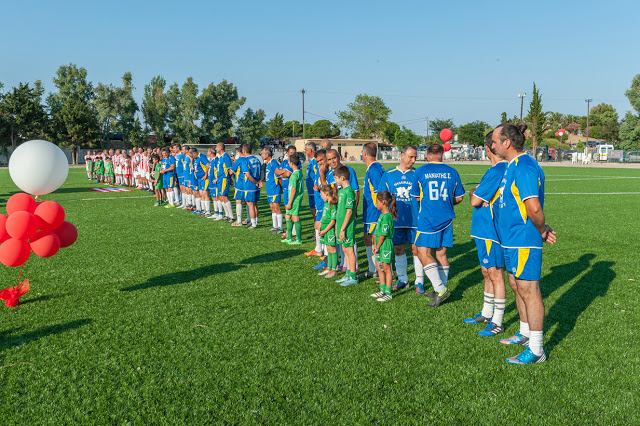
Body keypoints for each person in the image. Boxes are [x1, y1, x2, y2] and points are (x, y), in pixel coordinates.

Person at [491, 122, 556, 364]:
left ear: (507, 143)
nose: (493, 145)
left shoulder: (526, 165)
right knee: (517, 285)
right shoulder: (511, 166)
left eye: (496, 141)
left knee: (529, 289)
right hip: (511, 240)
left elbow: (534, 206)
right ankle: (524, 332)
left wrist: (541, 229)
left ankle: (537, 349)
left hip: (524, 239)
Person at [465, 131, 509, 337]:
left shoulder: (498, 169)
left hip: (491, 230)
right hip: (483, 230)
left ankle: (498, 322)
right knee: (486, 271)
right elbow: (478, 194)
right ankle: (486, 312)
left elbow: (475, 200)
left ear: (488, 148)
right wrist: (478, 193)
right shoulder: (493, 170)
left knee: (495, 273)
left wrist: (476, 194)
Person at [412, 143, 465, 307]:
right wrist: (445, 202)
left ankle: (440, 289)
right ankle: (439, 291)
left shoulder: (420, 171)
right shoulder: (452, 172)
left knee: (422, 252)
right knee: (441, 254)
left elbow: (417, 197)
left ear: (427, 156)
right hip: (447, 218)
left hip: (428, 219)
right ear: (443, 155)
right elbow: (460, 197)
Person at [378, 144, 422, 291]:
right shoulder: (389, 174)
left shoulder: (417, 174)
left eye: (415, 157)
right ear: (402, 156)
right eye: (411, 157)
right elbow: (381, 196)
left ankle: (419, 282)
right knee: (398, 249)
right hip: (396, 220)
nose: (413, 160)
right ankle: (403, 279)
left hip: (414, 219)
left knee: (416, 249)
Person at [361, 142, 385, 279]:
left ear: (364, 154)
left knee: (375, 240)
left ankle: (380, 270)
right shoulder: (374, 167)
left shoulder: (374, 169)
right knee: (367, 237)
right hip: (369, 210)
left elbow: (379, 192)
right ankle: (373, 268)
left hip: (374, 211)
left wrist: (378, 210)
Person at [370, 190, 396, 302]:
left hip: (384, 245)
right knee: (379, 268)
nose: (376, 204)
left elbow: (383, 235)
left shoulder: (387, 217)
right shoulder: (381, 215)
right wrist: (374, 246)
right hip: (379, 246)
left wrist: (378, 247)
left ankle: (388, 293)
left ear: (383, 202)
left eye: (377, 201)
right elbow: (377, 233)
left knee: (387, 269)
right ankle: (382, 289)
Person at [333, 165, 358, 286]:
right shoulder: (341, 191)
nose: (335, 180)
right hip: (341, 227)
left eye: (336, 178)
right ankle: (348, 274)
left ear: (342, 177)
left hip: (347, 227)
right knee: (344, 249)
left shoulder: (349, 191)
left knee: (349, 250)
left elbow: (349, 211)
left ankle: (353, 276)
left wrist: (343, 228)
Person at [275, 145, 297, 239]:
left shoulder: (296, 163)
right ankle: (290, 230)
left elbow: (289, 174)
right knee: (287, 210)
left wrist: (282, 173)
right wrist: (284, 172)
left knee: (293, 210)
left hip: (291, 189)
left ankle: (293, 231)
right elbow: (276, 171)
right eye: (291, 152)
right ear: (287, 153)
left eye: (294, 152)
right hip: (285, 190)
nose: (292, 154)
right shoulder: (284, 162)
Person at [281, 153, 304, 244]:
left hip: (295, 199)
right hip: (292, 198)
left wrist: (289, 202)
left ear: (291, 163)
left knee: (295, 217)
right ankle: (289, 237)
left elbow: (294, 190)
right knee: (287, 216)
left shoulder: (294, 175)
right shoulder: (298, 173)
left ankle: (298, 239)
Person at [317, 184, 339, 278]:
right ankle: (329, 267)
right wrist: (319, 225)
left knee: (332, 249)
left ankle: (334, 269)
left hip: (329, 230)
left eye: (321, 194)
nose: (321, 197)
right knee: (328, 248)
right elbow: (323, 216)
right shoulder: (326, 204)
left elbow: (333, 221)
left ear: (326, 194)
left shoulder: (333, 205)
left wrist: (324, 230)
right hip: (324, 230)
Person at [262, 147, 283, 233]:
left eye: (263, 153)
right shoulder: (268, 163)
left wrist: (281, 187)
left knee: (276, 207)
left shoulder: (273, 163)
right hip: (270, 189)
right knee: (272, 207)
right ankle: (275, 226)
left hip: (275, 189)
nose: (262, 155)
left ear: (267, 155)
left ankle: (280, 228)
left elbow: (279, 177)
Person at [242, 144, 262, 229]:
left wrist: (255, 182)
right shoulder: (257, 159)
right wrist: (260, 181)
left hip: (250, 185)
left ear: (244, 151)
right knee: (255, 204)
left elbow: (248, 175)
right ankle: (256, 222)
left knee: (250, 205)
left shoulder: (245, 161)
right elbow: (262, 172)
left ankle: (253, 224)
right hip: (257, 185)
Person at [214, 142, 234, 221]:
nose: (216, 149)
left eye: (216, 147)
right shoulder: (220, 157)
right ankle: (227, 215)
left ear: (220, 148)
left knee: (224, 197)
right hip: (220, 179)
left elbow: (229, 169)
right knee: (221, 197)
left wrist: (230, 178)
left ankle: (231, 216)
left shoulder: (225, 156)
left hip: (224, 179)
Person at [192, 148, 211, 216]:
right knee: (201, 194)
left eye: (192, 156)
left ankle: (208, 211)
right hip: (199, 179)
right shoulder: (195, 159)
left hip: (204, 179)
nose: (191, 157)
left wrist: (206, 174)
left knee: (205, 194)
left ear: (194, 153)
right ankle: (204, 210)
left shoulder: (201, 156)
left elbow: (208, 165)